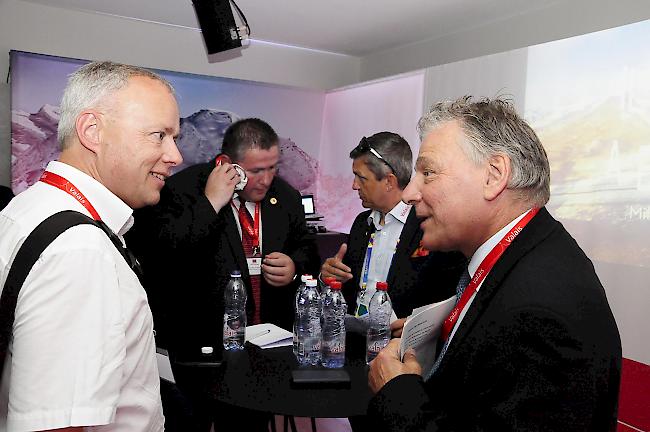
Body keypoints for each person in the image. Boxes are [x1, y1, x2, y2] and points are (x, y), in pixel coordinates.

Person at [367, 96, 621, 431]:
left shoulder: (542, 308)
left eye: (428, 172)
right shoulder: (523, 253)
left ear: (494, 176)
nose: (410, 192)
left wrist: (397, 394)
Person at [0, 61, 183, 431]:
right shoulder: (80, 251)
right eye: (159, 135)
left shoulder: (28, 207)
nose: (175, 156)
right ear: (92, 131)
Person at [126, 117, 320, 430]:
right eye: (257, 170)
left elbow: (308, 249)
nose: (267, 179)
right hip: (199, 351)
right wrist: (211, 203)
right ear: (229, 164)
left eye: (273, 167)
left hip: (263, 350)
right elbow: (163, 257)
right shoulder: (182, 190)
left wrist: (295, 266)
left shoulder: (285, 197)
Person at [320, 132, 464, 320]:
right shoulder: (361, 224)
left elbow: (446, 297)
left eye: (361, 178)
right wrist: (328, 278)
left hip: (404, 345)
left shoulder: (429, 226)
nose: (354, 185)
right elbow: (348, 287)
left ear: (389, 181)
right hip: (356, 339)